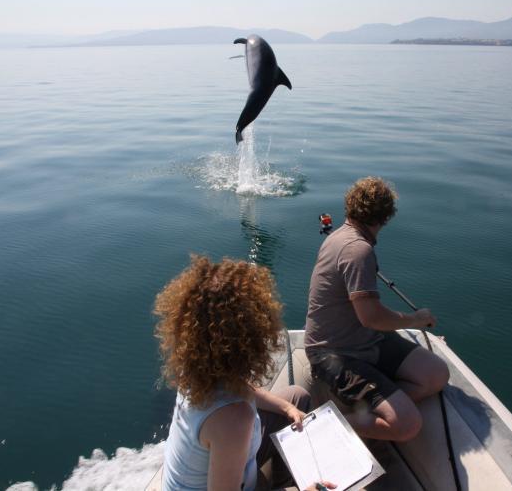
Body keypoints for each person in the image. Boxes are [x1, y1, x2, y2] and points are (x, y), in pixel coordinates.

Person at [155, 255, 336, 491]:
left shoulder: (197, 371)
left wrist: (287, 408)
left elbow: (242, 388)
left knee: (297, 396)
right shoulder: (235, 418)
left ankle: (283, 480)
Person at [305, 177, 450, 441]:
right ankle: (315, 430)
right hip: (334, 353)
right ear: (386, 217)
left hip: (366, 339)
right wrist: (415, 320)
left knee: (436, 374)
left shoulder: (341, 236)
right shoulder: (357, 250)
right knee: (406, 425)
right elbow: (371, 317)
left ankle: (375, 402)